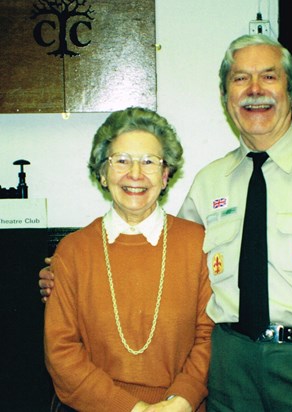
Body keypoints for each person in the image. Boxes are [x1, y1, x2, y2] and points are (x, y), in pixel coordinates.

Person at [40, 35, 292, 411]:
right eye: (241, 79)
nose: (255, 90)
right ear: (226, 95)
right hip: (231, 374)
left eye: (269, 77)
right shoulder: (210, 182)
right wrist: (63, 275)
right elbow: (161, 259)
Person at [43, 107, 213, 412]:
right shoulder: (72, 251)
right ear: (102, 174)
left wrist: (181, 401)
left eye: (149, 161)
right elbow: (61, 352)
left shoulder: (198, 243)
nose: (135, 174)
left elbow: (210, 335)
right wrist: (133, 409)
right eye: (121, 161)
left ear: (165, 176)